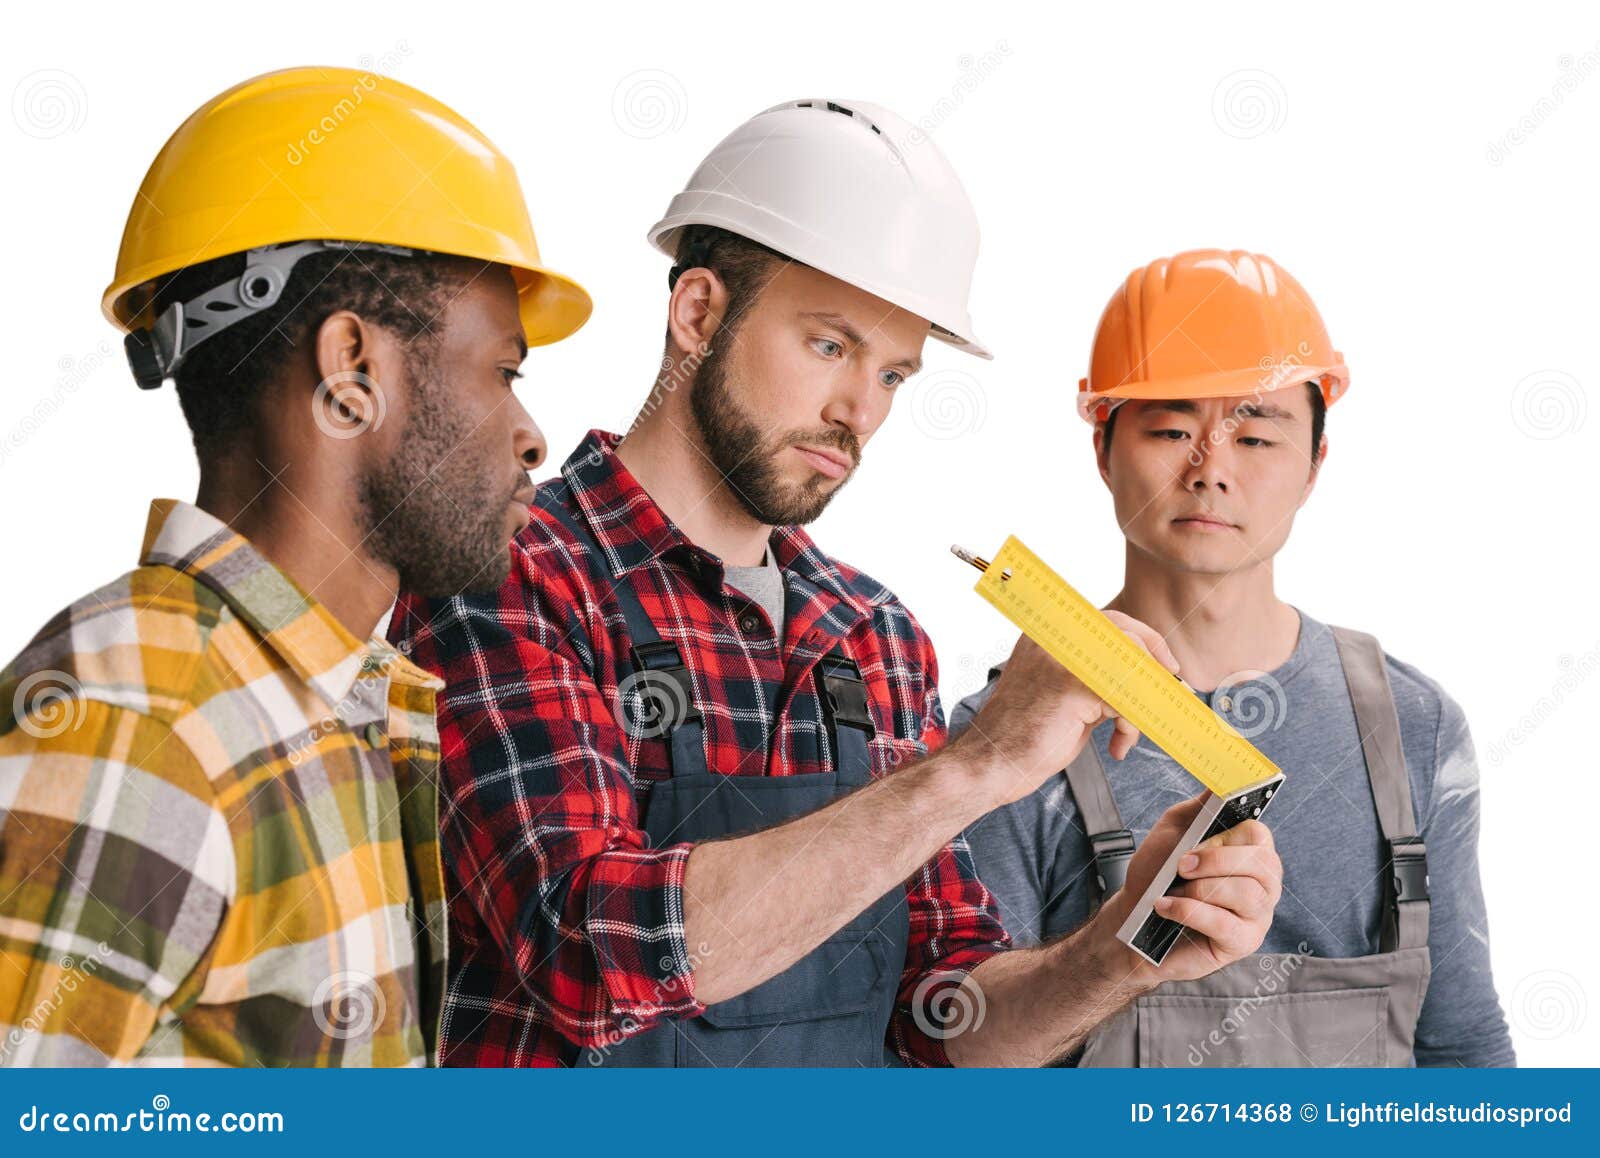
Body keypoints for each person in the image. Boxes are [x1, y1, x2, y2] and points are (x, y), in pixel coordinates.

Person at [391, 101, 1282, 1067]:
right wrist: (976, 767)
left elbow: (938, 1015)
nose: (861, 410)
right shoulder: (512, 573)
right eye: (830, 346)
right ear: (698, 313)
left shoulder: (874, 636)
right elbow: (582, 953)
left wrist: (1121, 952)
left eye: (896, 375)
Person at [0, 66, 591, 1066]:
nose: (533, 435)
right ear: (351, 370)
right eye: (503, 371)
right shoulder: (142, 727)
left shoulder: (329, 699)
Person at [951, 249, 1514, 1067]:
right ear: (1103, 450)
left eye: (1255, 435)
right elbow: (958, 1059)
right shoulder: (1007, 737)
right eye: (1173, 429)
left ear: (1316, 463)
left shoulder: (1411, 728)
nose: (1210, 469)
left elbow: (1463, 1049)